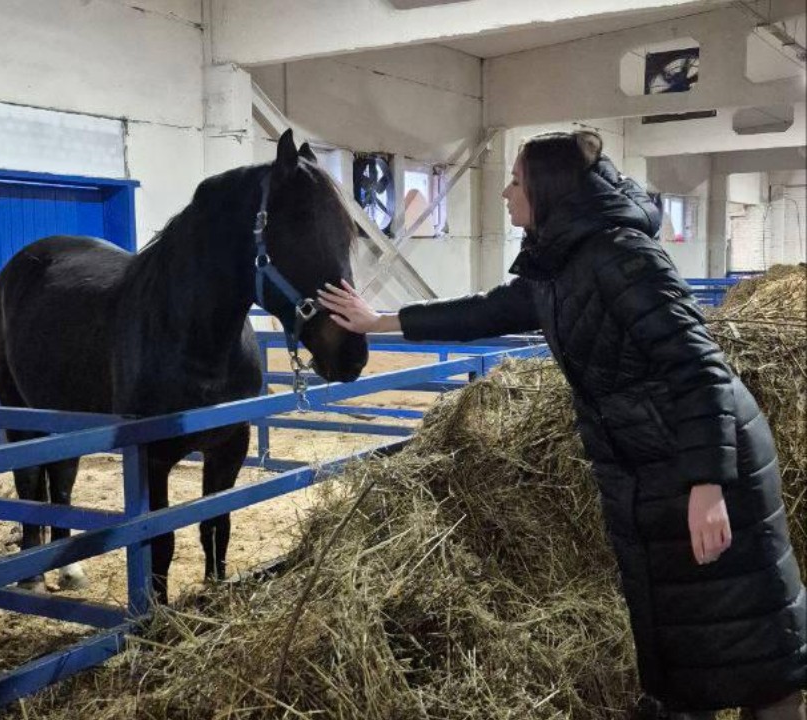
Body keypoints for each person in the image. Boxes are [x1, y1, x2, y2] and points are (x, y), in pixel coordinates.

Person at [318, 130, 806, 720]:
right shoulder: (563, 262)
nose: (504, 191)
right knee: (688, 626)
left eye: (516, 180)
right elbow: (487, 310)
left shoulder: (622, 257)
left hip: (707, 460)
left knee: (755, 640)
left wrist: (708, 484)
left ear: (547, 189)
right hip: (649, 469)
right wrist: (380, 321)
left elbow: (699, 366)